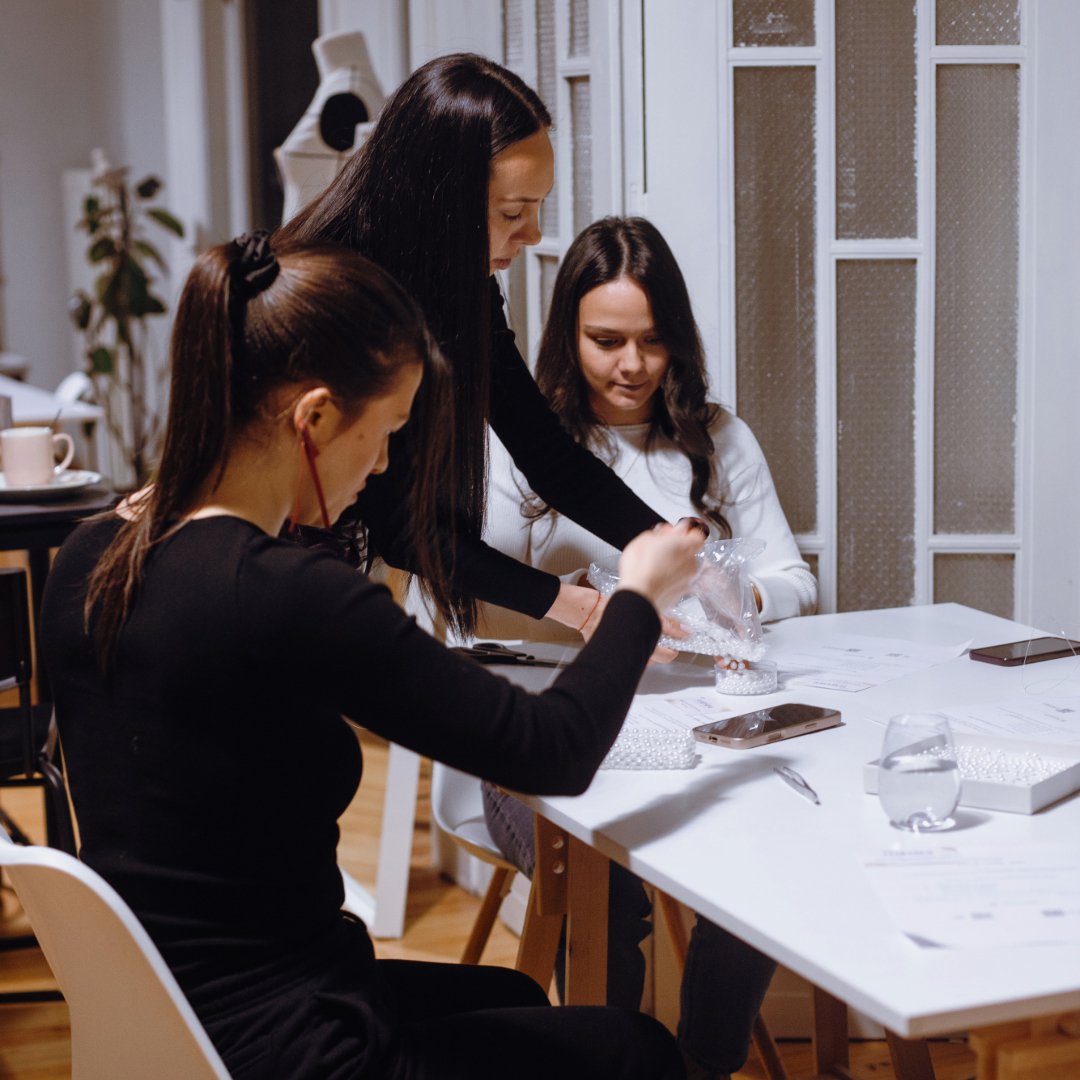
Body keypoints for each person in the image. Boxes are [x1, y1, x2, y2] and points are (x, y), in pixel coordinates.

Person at [40, 234, 703, 1080]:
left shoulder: (89, 557)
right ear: (314, 418)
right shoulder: (288, 593)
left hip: (164, 1018)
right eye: (386, 431)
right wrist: (637, 599)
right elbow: (554, 750)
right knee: (639, 1051)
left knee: (515, 995)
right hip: (295, 1045)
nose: (386, 464)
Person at [479, 218, 818, 1080]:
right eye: (606, 341)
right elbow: (476, 609)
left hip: (699, 727)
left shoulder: (718, 438)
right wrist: (593, 608)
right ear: (566, 336)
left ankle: (701, 1068)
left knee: (766, 860)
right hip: (544, 737)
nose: (632, 365)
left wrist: (731, 595)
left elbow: (793, 580)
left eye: (653, 341)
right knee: (607, 891)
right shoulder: (520, 441)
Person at [282, 53, 693, 656]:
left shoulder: (459, 285)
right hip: (279, 580)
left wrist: (677, 553)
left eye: (537, 208)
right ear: (438, 198)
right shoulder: (336, 293)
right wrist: (578, 606)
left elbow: (545, 451)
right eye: (511, 213)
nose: (532, 234)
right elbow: (403, 527)